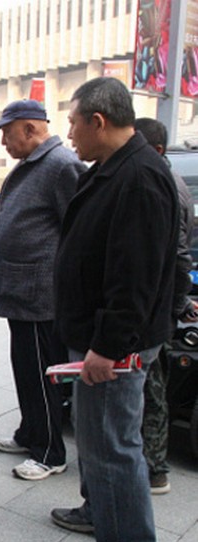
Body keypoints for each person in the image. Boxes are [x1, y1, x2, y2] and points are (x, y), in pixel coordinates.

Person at [51, 77, 178, 542]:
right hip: (100, 334)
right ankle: (99, 510)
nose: (71, 134)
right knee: (98, 439)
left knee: (112, 443)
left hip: (114, 343)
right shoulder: (113, 168)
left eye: (74, 123)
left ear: (97, 122)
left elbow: (135, 280)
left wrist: (106, 348)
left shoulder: (141, 179)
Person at [0, 98, 86, 481]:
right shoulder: (34, 165)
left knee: (41, 373)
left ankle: (51, 451)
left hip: (39, 294)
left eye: (7, 132)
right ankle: (29, 432)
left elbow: (78, 232)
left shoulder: (61, 165)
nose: (3, 141)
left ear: (31, 128)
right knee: (25, 368)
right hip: (20, 289)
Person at [133, 117, 197, 495]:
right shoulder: (170, 182)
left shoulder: (163, 185)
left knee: (152, 389)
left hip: (156, 309)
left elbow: (177, 256)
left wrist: (174, 304)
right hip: (163, 304)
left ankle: (154, 467)